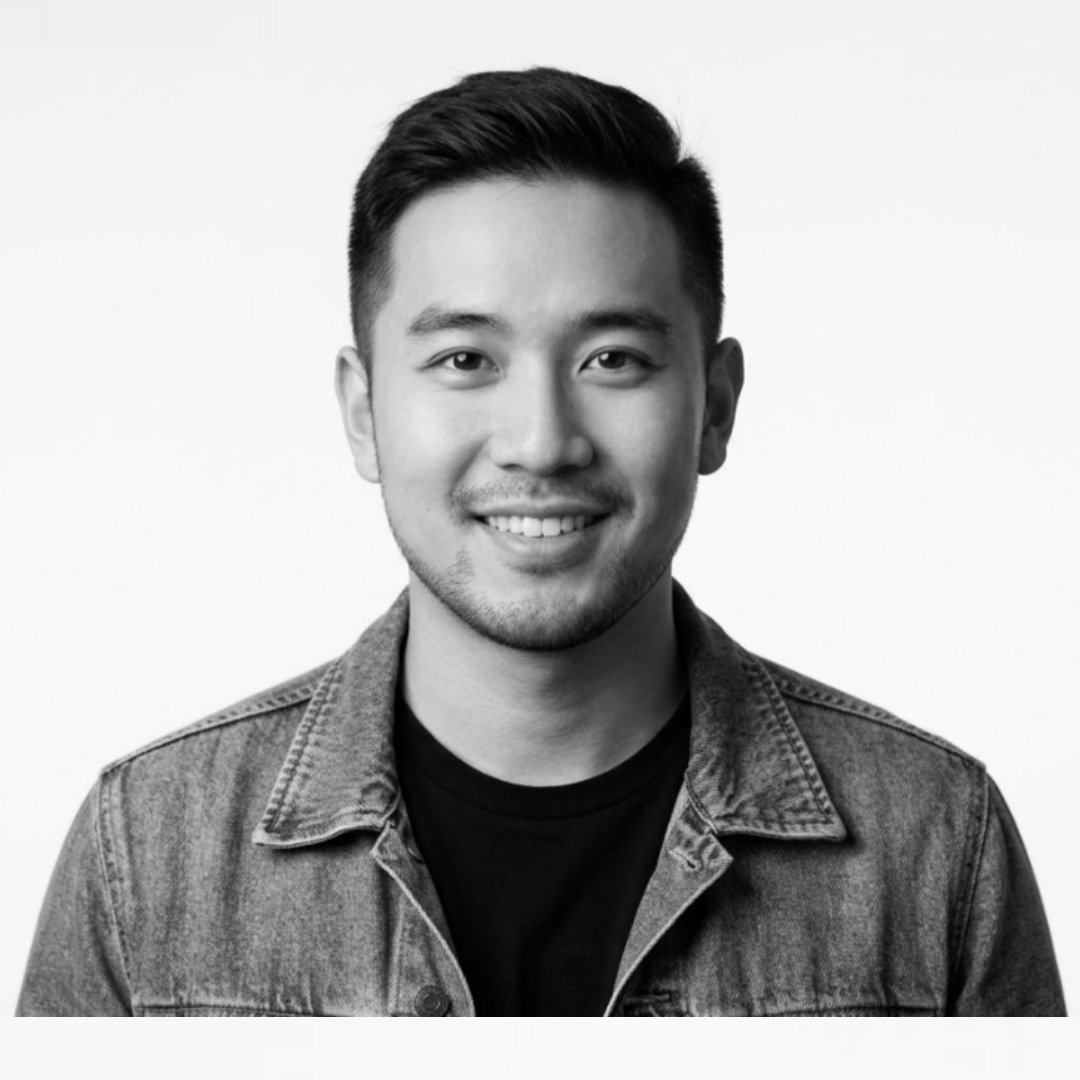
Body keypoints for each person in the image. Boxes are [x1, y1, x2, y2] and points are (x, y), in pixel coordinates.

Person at [17, 67, 1065, 1017]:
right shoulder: (148, 852)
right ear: (361, 411)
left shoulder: (935, 844)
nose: (540, 443)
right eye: (466, 358)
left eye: (612, 358)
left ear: (717, 407)